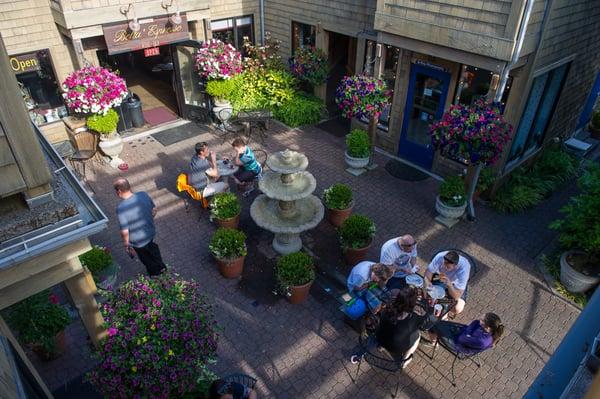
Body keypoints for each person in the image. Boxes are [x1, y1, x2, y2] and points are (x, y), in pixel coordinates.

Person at [114, 178, 166, 276]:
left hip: (138, 241)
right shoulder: (143, 194)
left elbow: (125, 230)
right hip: (150, 232)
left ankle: (157, 276)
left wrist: (126, 245)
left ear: (119, 191)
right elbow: (154, 210)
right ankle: (162, 267)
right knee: (152, 249)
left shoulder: (121, 208)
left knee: (146, 259)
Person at [375, 286, 429, 367]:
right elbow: (424, 320)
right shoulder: (412, 318)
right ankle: (405, 360)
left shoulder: (387, 307)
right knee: (418, 335)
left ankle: (381, 347)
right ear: (413, 303)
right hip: (396, 348)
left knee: (389, 329)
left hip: (379, 338)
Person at [429, 313, 504, 355]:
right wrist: (468, 334)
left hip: (457, 344)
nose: (479, 319)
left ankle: (433, 343)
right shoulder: (486, 329)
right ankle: (434, 337)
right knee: (437, 323)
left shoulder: (482, 341)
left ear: (488, 328)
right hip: (462, 333)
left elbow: (461, 339)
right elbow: (475, 322)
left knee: (432, 324)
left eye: (482, 320)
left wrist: (468, 332)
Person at [423, 250, 470, 316]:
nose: (445, 267)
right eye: (444, 264)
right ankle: (437, 303)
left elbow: (457, 296)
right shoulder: (440, 257)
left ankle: (443, 306)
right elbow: (428, 272)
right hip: (440, 276)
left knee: (457, 308)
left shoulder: (464, 270)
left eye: (448, 267)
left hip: (455, 283)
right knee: (425, 290)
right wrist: (428, 283)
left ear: (455, 266)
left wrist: (449, 285)